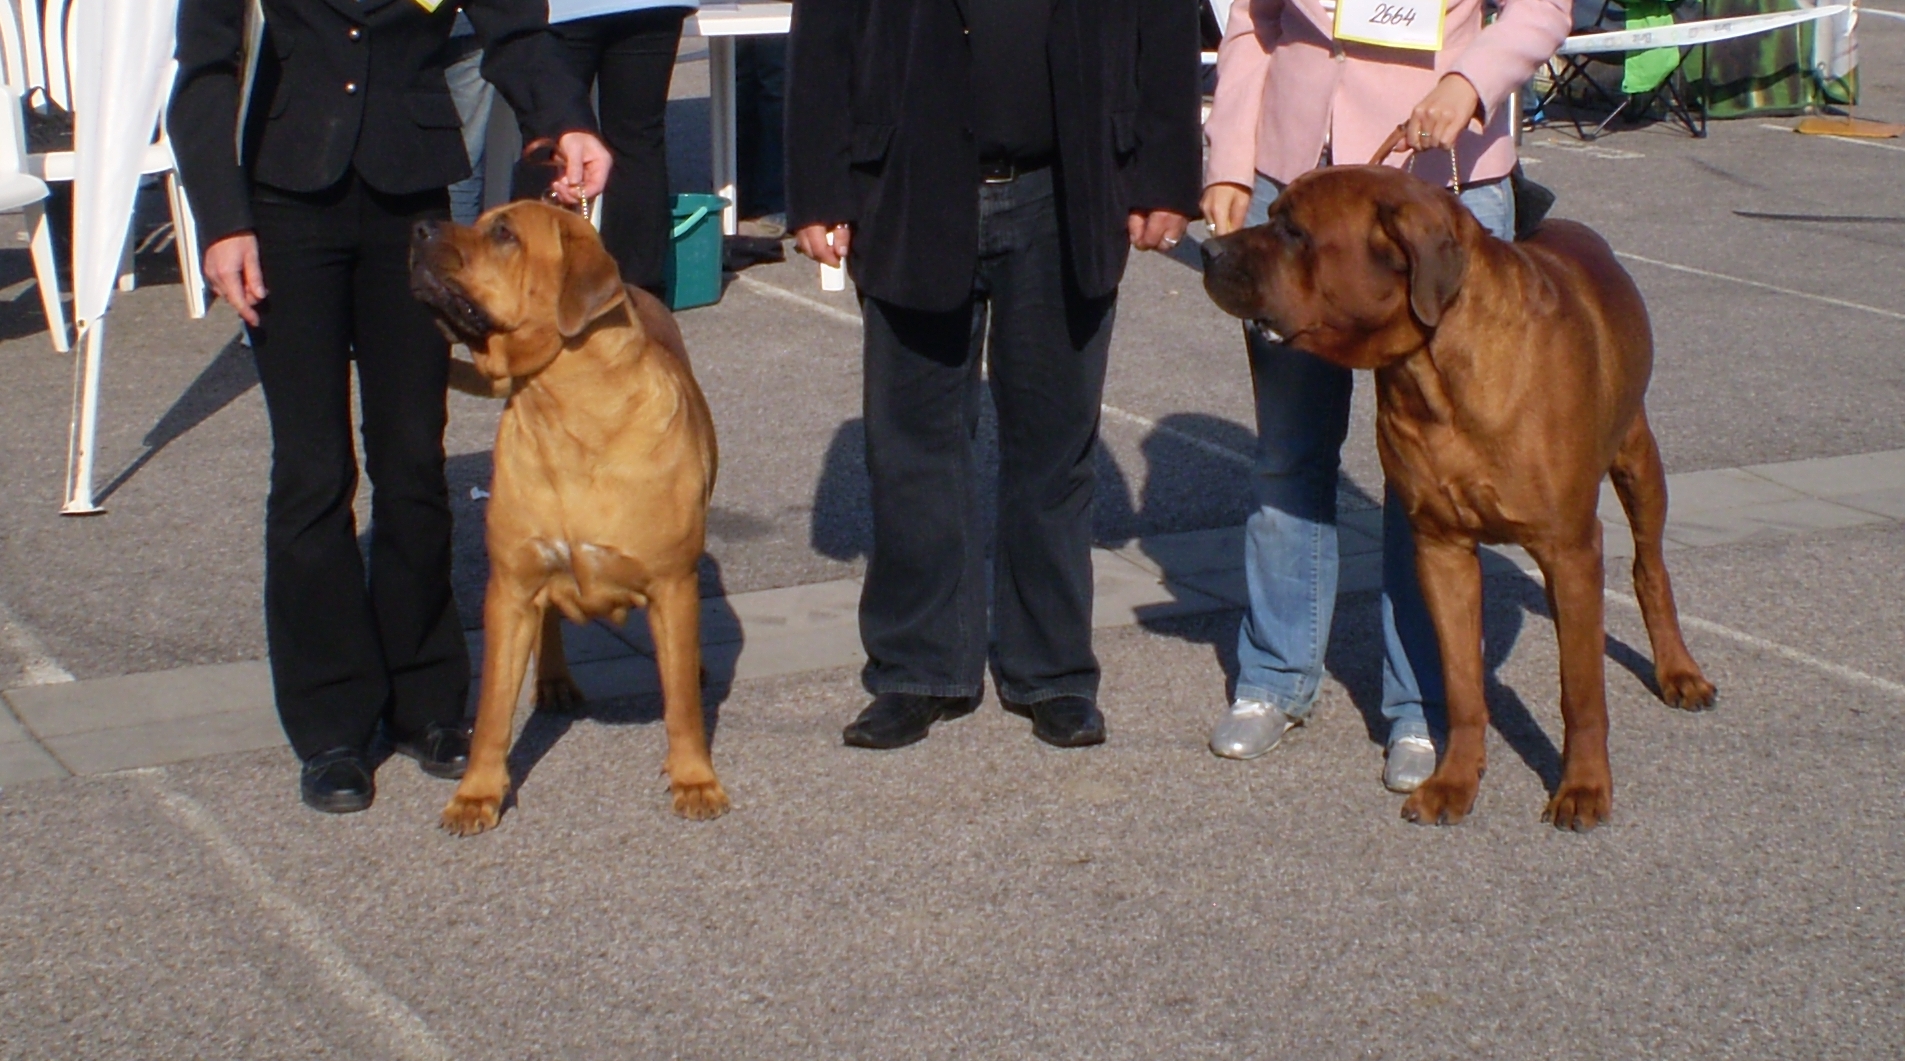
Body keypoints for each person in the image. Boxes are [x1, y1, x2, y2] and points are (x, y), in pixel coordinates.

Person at [170, 0, 609, 814]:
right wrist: (222, 219)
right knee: (311, 470)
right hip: (284, 194)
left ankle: (426, 698)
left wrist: (567, 119)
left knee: (412, 458)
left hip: (412, 197)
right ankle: (331, 722)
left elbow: (515, 31)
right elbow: (202, 71)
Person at [787, 0, 1202, 750]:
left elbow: (1165, 22)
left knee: (1054, 444)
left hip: (1066, 186)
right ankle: (919, 667)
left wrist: (1166, 173)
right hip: (908, 183)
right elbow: (823, 31)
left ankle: (1052, 670)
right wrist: (819, 188)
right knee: (912, 444)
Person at [1199, 0, 1569, 790]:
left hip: (1435, 190)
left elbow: (1543, 8)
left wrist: (1470, 82)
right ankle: (1271, 676)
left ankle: (1422, 702)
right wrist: (1231, 159)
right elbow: (1253, 21)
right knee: (1287, 453)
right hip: (1296, 186)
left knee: (1432, 473)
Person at [535, 0, 697, 297]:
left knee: (550, 141)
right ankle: (637, 296)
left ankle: (537, 288)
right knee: (638, 139)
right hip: (651, 6)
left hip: (561, 10)